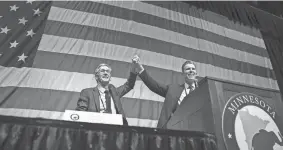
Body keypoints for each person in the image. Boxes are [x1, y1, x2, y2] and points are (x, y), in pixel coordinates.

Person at [132, 55, 198, 128]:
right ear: (183, 73)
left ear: (196, 72)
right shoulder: (173, 89)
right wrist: (140, 69)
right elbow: (154, 86)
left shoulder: (203, 90)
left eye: (193, 69)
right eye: (188, 69)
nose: (191, 70)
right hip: (175, 130)